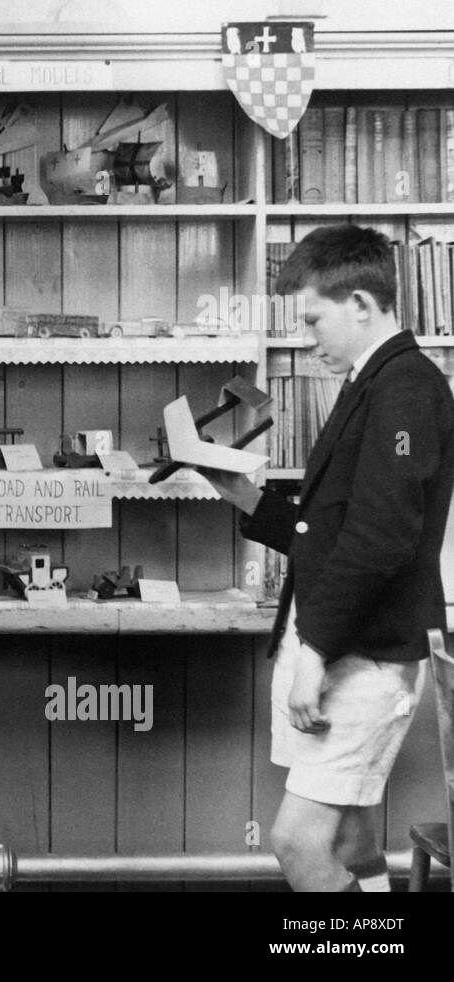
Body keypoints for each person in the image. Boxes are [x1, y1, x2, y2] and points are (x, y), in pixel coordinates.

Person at [200, 224, 454, 891]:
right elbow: (332, 530)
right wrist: (245, 495)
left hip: (359, 652)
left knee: (298, 845)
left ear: (362, 305)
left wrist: (312, 655)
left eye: (315, 317)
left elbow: (381, 542)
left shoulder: (404, 390)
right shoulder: (374, 382)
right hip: (346, 643)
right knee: (346, 836)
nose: (310, 334)